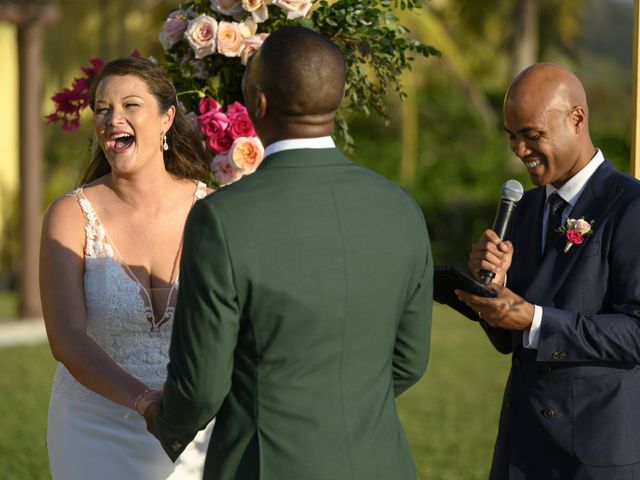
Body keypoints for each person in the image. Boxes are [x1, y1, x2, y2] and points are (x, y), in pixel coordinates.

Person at [145, 26, 433, 480]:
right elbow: (410, 360)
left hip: (265, 463)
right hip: (381, 461)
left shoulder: (221, 220)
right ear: (336, 99)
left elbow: (202, 385)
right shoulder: (402, 208)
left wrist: (166, 424)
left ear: (258, 103)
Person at [456, 63, 640, 479]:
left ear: (576, 118)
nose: (520, 150)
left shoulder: (630, 206)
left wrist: (536, 319)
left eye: (532, 135)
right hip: (522, 449)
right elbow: (511, 341)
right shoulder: (526, 209)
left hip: (594, 454)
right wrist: (492, 293)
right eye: (512, 137)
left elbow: (636, 332)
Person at [40, 56, 215, 479]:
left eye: (130, 105)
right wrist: (143, 401)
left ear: (166, 118)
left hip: (199, 432)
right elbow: (65, 339)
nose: (112, 118)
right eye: (102, 109)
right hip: (93, 429)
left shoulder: (214, 210)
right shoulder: (70, 215)